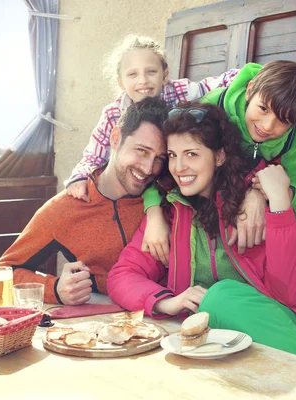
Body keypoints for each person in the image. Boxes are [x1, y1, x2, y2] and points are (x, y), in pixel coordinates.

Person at [107, 103, 296, 368]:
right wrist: (166, 301)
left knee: (219, 297)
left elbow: (294, 295)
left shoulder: (253, 208)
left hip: (287, 339)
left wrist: (279, 204)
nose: (179, 167)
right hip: (224, 355)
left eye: (192, 154)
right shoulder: (170, 213)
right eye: (173, 156)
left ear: (219, 156)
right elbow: (122, 276)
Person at [64, 34, 239, 265]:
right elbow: (92, 156)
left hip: (176, 181)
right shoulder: (113, 114)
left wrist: (256, 80)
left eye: (151, 72)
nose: (143, 81)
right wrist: (78, 177)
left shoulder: (179, 91)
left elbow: (227, 79)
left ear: (165, 74)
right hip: (139, 187)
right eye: (132, 74)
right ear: (120, 82)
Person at [142, 60, 296, 263]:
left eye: (283, 121)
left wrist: (266, 192)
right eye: (263, 109)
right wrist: (154, 214)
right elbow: (162, 166)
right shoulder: (213, 107)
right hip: (200, 213)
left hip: (243, 231)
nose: (268, 126)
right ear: (250, 90)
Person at [0, 97, 168, 306]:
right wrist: (56, 289)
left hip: (170, 322)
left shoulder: (168, 197)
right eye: (142, 151)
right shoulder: (65, 208)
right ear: (115, 138)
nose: (149, 168)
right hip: (104, 326)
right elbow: (4, 272)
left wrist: (155, 211)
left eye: (159, 158)